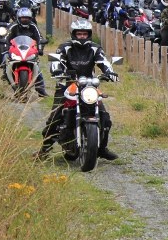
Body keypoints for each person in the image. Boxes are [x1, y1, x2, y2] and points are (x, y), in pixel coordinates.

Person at [37, 20, 119, 160]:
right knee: (55, 117)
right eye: (79, 33)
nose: (82, 36)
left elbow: (103, 61)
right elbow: (57, 61)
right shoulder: (65, 47)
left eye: (84, 34)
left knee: (104, 116)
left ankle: (102, 148)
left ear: (89, 34)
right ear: (74, 34)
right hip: (67, 85)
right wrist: (57, 71)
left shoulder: (95, 48)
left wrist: (110, 72)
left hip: (89, 86)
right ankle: (44, 149)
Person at [4, 7, 48, 96]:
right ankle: (6, 76)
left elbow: (39, 38)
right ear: (18, 18)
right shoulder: (13, 26)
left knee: (38, 69)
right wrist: (6, 47)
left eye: (27, 18)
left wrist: (40, 48)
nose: (25, 20)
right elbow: (6, 37)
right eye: (23, 18)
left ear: (30, 18)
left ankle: (41, 90)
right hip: (15, 50)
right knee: (5, 62)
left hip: (29, 50)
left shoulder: (33, 26)